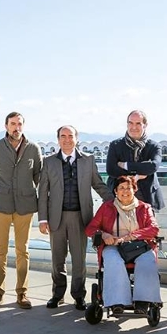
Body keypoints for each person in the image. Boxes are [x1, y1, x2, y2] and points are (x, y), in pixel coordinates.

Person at [38, 125, 112, 310]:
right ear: (58, 139)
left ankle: (79, 296)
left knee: (79, 260)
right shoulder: (48, 162)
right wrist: (42, 219)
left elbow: (98, 185)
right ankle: (57, 294)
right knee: (57, 259)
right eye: (63, 136)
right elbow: (43, 191)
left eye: (70, 136)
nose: (67, 139)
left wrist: (115, 203)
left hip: (81, 218)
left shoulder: (88, 160)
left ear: (76, 138)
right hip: (57, 218)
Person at [0, 111, 43, 309]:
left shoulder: (33, 149)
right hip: (0, 206)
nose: (16, 128)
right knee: (0, 251)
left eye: (19, 124)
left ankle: (22, 293)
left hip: (25, 207)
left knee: (22, 251)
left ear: (23, 126)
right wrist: (1, 191)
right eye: (12, 124)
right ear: (6, 126)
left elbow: (38, 177)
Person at [84, 176, 162, 311]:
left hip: (139, 245)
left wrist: (130, 236)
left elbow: (154, 229)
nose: (125, 191)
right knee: (113, 260)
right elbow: (90, 228)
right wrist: (104, 234)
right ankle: (117, 302)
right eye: (121, 188)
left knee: (147, 260)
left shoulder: (144, 208)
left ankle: (143, 301)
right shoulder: (106, 207)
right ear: (115, 191)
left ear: (134, 190)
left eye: (128, 188)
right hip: (113, 245)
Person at [105, 110, 165, 210]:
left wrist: (126, 165)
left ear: (145, 125)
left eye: (138, 123)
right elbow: (111, 170)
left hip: (146, 197)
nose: (133, 127)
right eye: (130, 123)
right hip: (120, 197)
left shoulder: (154, 146)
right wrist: (137, 175)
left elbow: (153, 166)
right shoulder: (115, 145)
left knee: (147, 225)